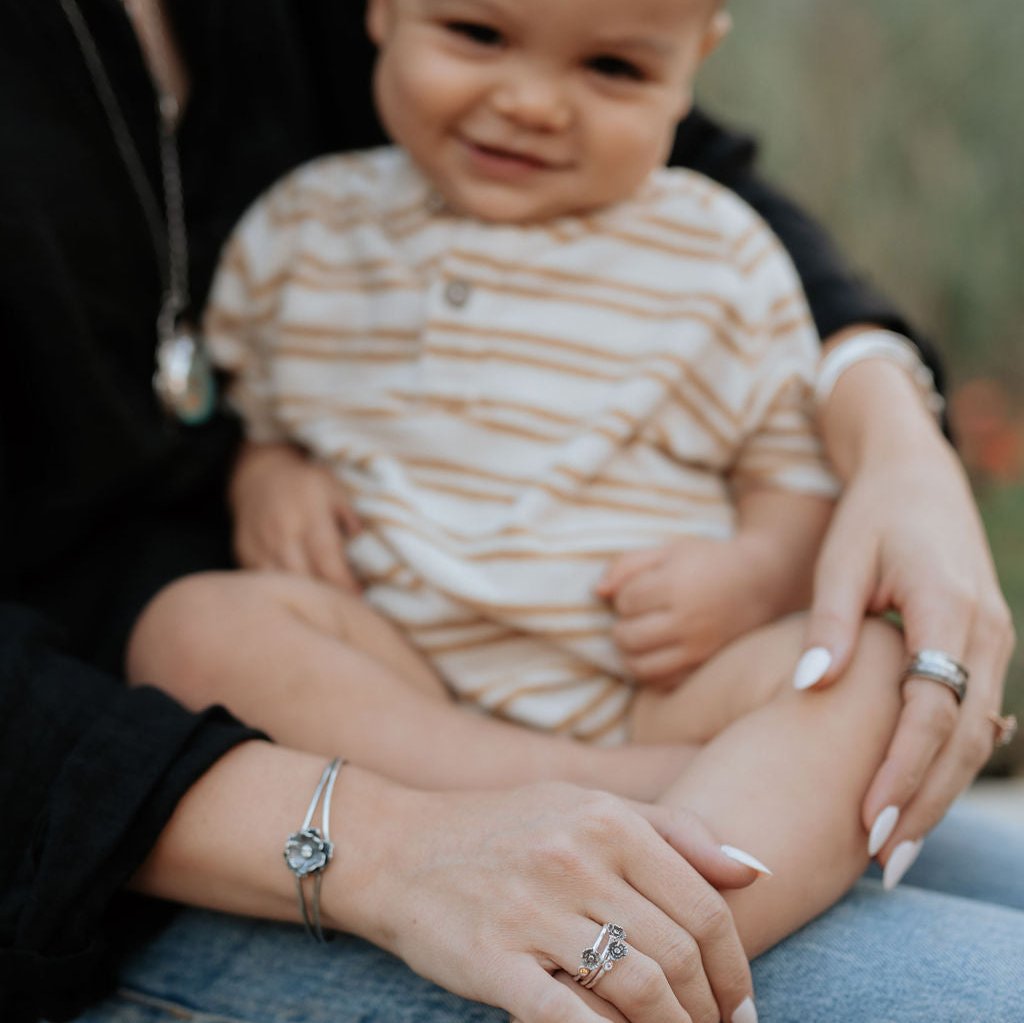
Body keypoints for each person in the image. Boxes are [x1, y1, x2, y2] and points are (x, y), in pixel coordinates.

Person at [1, 1, 1019, 1022]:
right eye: (477, 36)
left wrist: (766, 562)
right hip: (402, 693)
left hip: (651, 678)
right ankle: (632, 851)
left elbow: (788, 475)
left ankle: (660, 929)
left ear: (696, 61)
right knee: (192, 628)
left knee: (871, 660)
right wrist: (270, 474)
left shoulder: (716, 252)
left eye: (614, 68)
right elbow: (256, 411)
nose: (531, 103)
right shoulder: (307, 228)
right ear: (382, 12)